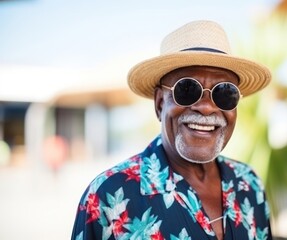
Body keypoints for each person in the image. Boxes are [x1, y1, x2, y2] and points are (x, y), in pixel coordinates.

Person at [71, 20, 272, 240]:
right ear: (159, 103)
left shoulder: (249, 184)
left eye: (225, 93)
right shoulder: (106, 197)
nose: (206, 107)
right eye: (187, 89)